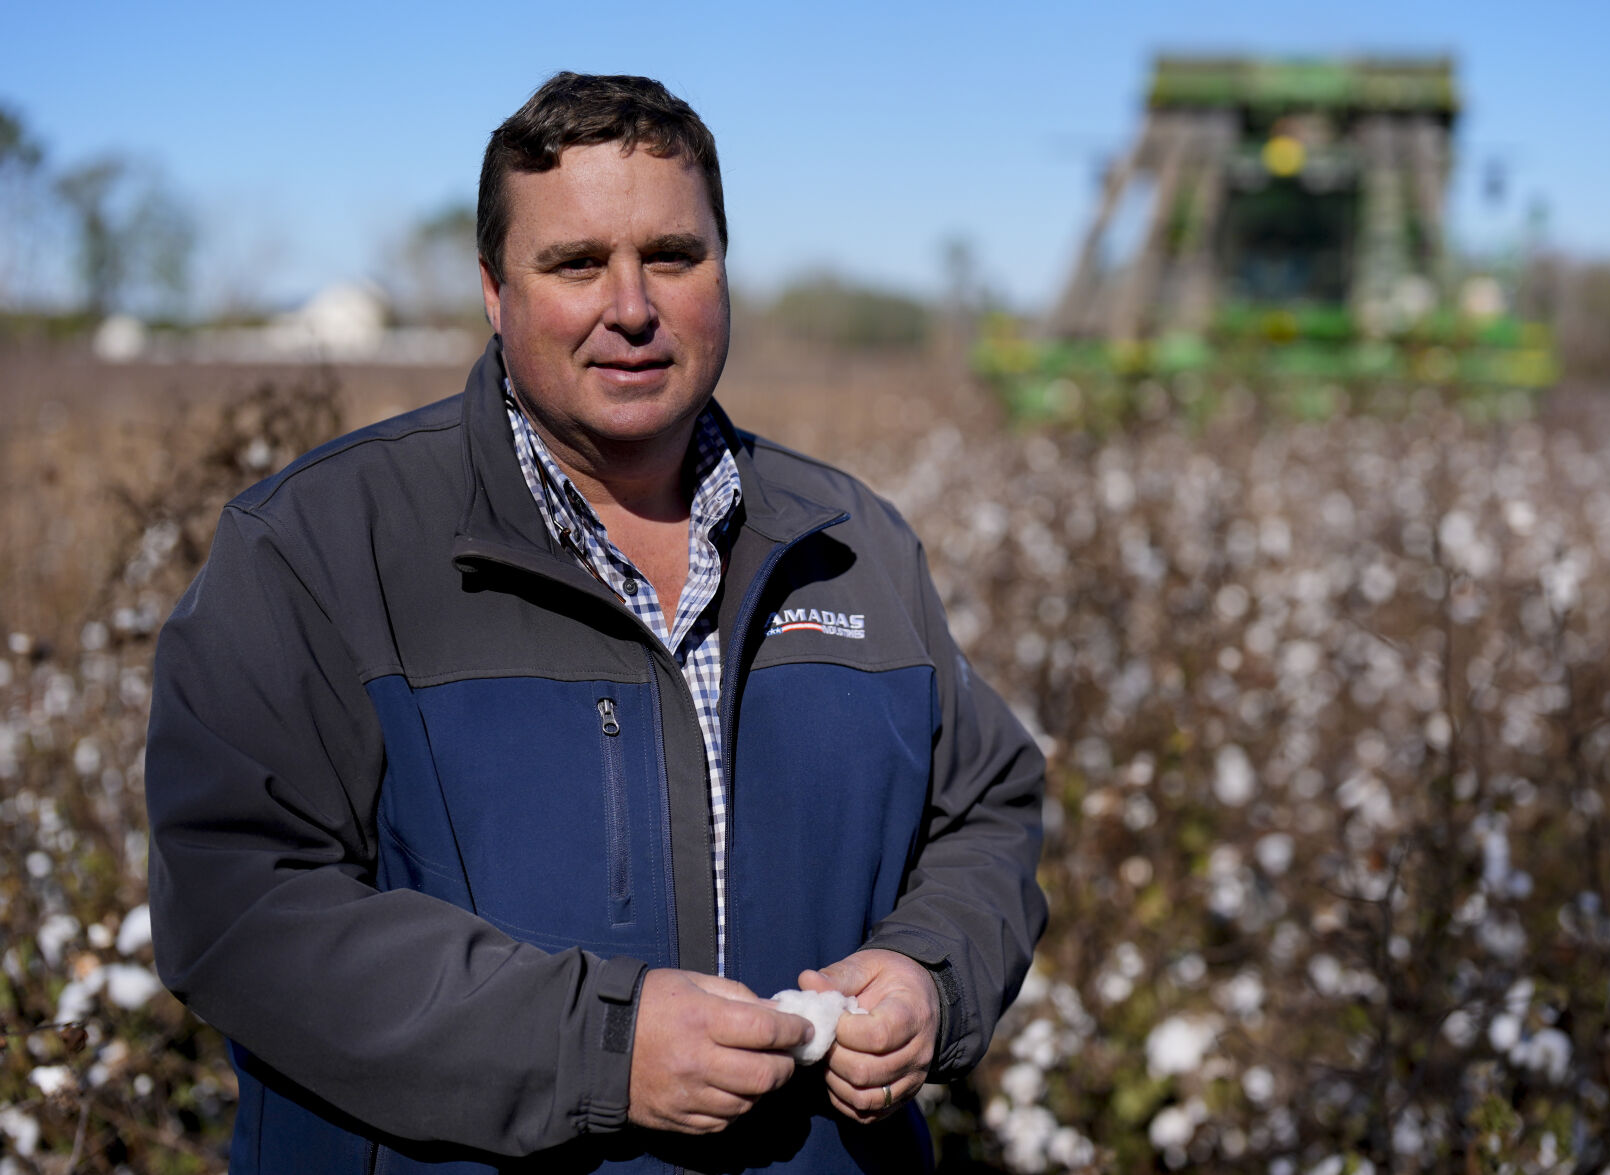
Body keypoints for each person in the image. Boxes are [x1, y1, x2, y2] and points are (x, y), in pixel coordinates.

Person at [145, 72, 1046, 1174]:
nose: (631, 305)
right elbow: (239, 899)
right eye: (576, 263)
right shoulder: (319, 547)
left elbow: (983, 811)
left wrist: (928, 971)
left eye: (673, 254)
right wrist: (599, 1046)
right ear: (491, 288)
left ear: (725, 267)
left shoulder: (852, 543)